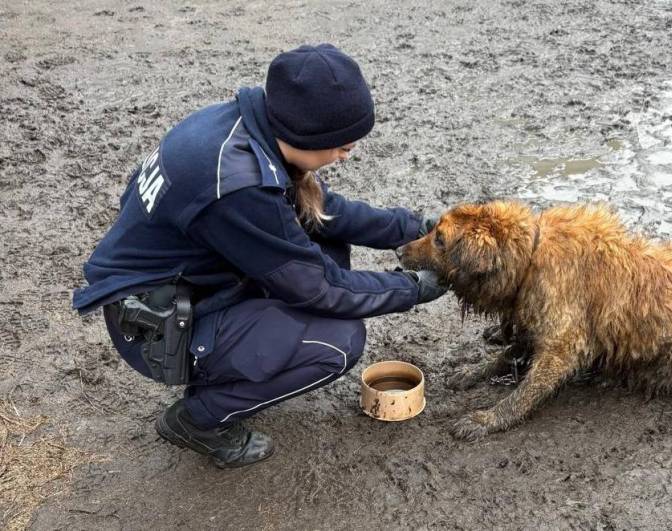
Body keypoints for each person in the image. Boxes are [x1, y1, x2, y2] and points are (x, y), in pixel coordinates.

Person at [72, 44, 447, 468]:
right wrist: (412, 288)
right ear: (308, 135)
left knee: (326, 243)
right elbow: (321, 288)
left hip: (183, 285)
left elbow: (324, 212)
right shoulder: (240, 186)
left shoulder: (245, 127)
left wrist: (413, 228)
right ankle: (199, 418)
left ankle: (243, 360)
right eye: (342, 145)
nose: (348, 153)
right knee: (338, 342)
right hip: (157, 327)